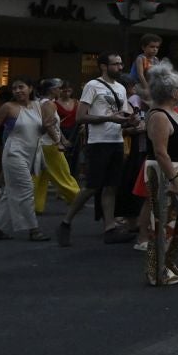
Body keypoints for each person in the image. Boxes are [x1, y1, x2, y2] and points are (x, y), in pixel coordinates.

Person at [59, 52, 138, 246]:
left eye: (121, 64)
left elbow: (124, 113)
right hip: (98, 142)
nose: (120, 67)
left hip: (116, 140)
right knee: (92, 186)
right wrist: (109, 118)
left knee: (112, 185)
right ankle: (65, 222)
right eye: (115, 64)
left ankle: (109, 228)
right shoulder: (92, 86)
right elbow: (80, 117)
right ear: (103, 66)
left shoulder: (120, 88)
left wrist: (131, 119)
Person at [140, 65, 178, 288]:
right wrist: (172, 179)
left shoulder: (173, 113)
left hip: (177, 171)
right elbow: (161, 151)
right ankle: (157, 271)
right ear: (172, 92)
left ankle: (168, 263)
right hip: (165, 173)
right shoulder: (160, 116)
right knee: (163, 223)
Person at [0, 81, 49, 242]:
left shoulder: (37, 106)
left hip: (31, 152)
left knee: (11, 191)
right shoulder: (8, 107)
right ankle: (34, 229)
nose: (18, 91)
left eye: (21, 87)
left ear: (30, 88)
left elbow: (40, 130)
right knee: (26, 188)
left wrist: (49, 130)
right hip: (14, 152)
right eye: (14, 88)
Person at [28, 79, 80, 218]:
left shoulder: (41, 103)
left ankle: (35, 205)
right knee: (63, 174)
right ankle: (77, 198)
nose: (61, 90)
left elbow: (54, 126)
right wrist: (59, 141)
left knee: (40, 177)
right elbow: (49, 125)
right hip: (49, 145)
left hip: (42, 144)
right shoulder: (49, 104)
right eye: (59, 88)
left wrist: (61, 139)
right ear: (52, 90)